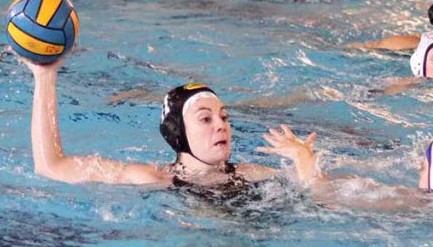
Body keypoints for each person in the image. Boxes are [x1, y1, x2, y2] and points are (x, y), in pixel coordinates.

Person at [23, 59, 320, 188]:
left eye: (224, 117)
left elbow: (324, 197)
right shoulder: (154, 178)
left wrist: (304, 160)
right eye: (205, 118)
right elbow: (51, 167)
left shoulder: (251, 174)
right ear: (177, 132)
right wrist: (45, 76)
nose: (221, 125)